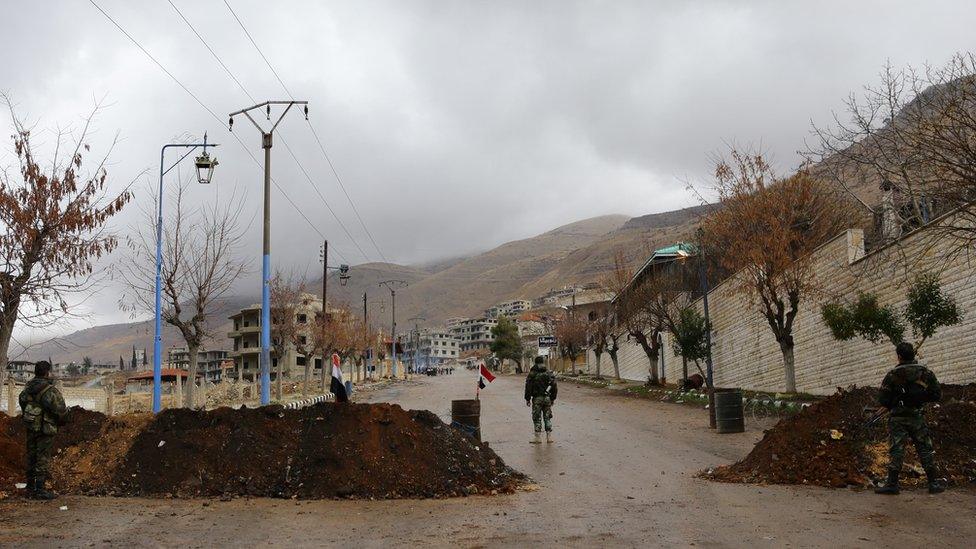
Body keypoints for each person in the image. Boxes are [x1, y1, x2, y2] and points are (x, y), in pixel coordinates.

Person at [875, 342, 944, 495]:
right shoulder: (925, 373)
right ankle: (933, 483)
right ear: (914, 354)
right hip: (917, 417)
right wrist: (919, 399)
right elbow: (937, 394)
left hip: (898, 419)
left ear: (899, 356)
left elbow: (883, 399)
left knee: (897, 450)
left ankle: (892, 484)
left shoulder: (893, 375)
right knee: (924, 449)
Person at [18, 360, 68, 500]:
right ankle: (40, 490)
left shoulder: (27, 389)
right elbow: (61, 410)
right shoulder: (51, 391)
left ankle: (30, 487)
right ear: (47, 373)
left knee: (31, 455)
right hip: (46, 428)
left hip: (31, 426)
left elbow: (22, 402)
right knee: (42, 457)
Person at [524, 356, 557, 444]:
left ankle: (538, 438)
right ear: (543, 362)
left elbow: (528, 387)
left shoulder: (532, 374)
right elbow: (554, 386)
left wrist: (527, 398)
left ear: (535, 363)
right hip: (547, 398)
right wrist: (553, 398)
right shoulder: (549, 373)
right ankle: (549, 437)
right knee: (547, 417)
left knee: (536, 417)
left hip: (537, 399)